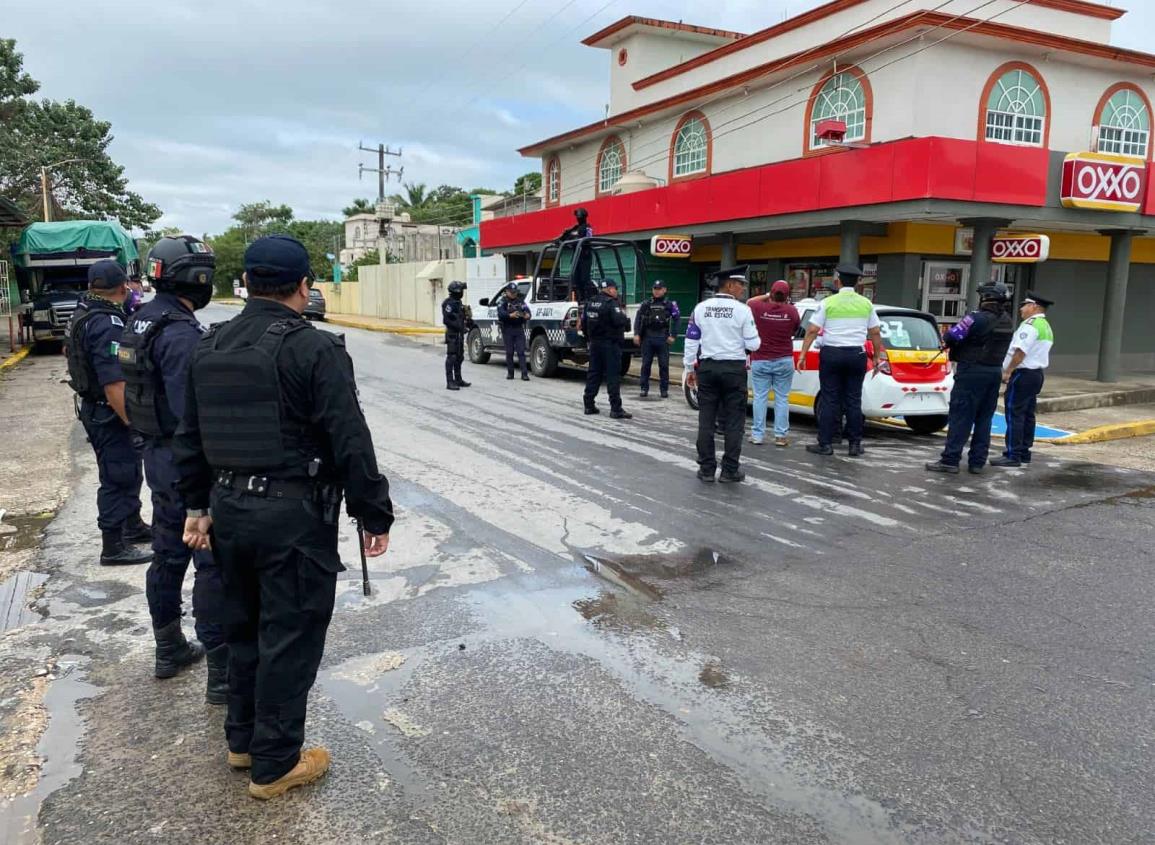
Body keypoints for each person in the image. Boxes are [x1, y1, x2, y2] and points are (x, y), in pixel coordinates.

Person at [173, 235, 393, 800]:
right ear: (304, 285)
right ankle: (275, 764)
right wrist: (374, 513)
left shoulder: (210, 343)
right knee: (288, 638)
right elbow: (349, 438)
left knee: (244, 628)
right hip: (292, 519)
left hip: (228, 512)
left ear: (244, 282)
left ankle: (243, 742)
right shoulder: (312, 348)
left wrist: (196, 507)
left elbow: (189, 437)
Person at [117, 235, 226, 696]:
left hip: (157, 458)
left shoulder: (140, 320)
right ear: (196, 277)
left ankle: (168, 647)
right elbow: (190, 417)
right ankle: (222, 673)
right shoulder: (180, 334)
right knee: (209, 563)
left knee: (166, 554)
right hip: (184, 461)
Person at [64, 259, 152, 566]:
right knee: (119, 476)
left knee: (128, 470)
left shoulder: (85, 309)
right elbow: (114, 382)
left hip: (96, 409)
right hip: (109, 411)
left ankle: (133, 526)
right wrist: (134, 422)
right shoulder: (106, 323)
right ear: (122, 287)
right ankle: (113, 546)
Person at [797, 263, 886, 457]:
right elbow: (876, 332)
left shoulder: (828, 303)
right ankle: (854, 444)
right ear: (857, 282)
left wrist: (803, 354)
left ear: (838, 280)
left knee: (830, 399)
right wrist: (878, 356)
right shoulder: (866, 304)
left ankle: (826, 444)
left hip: (832, 354)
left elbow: (812, 330)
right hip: (857, 355)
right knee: (854, 400)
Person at [925, 283, 1014, 475]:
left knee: (961, 416)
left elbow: (951, 335)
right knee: (984, 418)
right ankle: (977, 462)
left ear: (985, 298)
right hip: (994, 373)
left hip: (972, 371)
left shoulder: (975, 318)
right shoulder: (1008, 320)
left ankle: (950, 460)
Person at [684, 267, 760, 482]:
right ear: (729, 285)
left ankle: (707, 469)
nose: (743, 288)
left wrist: (690, 368)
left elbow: (691, 342)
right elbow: (754, 343)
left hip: (707, 368)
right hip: (734, 370)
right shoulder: (742, 310)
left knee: (706, 419)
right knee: (734, 421)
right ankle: (729, 470)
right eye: (740, 284)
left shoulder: (701, 308)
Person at [993, 291, 1055, 468]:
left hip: (1023, 374)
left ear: (1034, 306)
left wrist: (1008, 371)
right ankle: (1024, 452)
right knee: (1027, 414)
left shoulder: (1030, 325)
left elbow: (1020, 352)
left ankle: (1013, 454)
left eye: (1024, 305)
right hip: (1036, 375)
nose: (1021, 309)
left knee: (1014, 414)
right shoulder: (1045, 325)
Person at [747, 280, 801, 447]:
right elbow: (795, 329)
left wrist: (768, 296)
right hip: (784, 359)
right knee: (782, 398)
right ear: (786, 296)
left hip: (761, 358)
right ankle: (781, 436)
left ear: (771, 293)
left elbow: (750, 302)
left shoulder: (759, 308)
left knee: (760, 397)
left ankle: (757, 435)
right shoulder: (792, 311)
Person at [581, 277, 632, 419]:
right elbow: (619, 321)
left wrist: (589, 338)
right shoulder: (611, 303)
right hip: (610, 344)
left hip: (595, 344)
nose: (617, 291)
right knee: (613, 376)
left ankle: (588, 404)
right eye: (616, 289)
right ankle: (616, 409)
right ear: (610, 289)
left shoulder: (591, 302)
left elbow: (584, 324)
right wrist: (625, 320)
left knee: (594, 374)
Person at [633, 280, 680, 399]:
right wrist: (637, 334)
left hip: (662, 338)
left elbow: (677, 320)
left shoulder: (669, 304)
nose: (656, 291)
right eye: (655, 289)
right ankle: (644, 388)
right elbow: (638, 318)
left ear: (664, 290)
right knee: (645, 365)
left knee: (664, 365)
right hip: (648, 338)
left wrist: (673, 335)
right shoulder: (646, 303)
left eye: (659, 289)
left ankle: (664, 390)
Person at [441, 280, 474, 390]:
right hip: (452, 334)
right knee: (452, 357)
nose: (462, 293)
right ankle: (450, 382)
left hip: (459, 334)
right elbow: (446, 320)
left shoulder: (459, 303)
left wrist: (469, 322)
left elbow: (463, 318)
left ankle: (458, 379)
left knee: (459, 357)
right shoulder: (448, 303)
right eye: (461, 290)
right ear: (456, 291)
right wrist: (459, 326)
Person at [557, 208, 595, 301]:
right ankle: (578, 297)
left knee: (584, 279)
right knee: (575, 279)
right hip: (576, 257)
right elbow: (563, 238)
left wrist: (574, 240)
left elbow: (588, 239)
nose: (578, 218)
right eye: (577, 216)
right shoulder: (574, 228)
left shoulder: (587, 227)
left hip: (584, 256)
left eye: (579, 216)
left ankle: (587, 298)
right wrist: (564, 236)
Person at [496, 282, 531, 380]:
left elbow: (527, 310)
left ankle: (524, 374)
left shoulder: (520, 301)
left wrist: (527, 315)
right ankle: (510, 373)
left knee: (521, 352)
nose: (513, 294)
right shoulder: (502, 301)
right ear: (507, 292)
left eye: (515, 292)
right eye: (511, 292)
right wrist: (509, 315)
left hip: (519, 328)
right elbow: (500, 313)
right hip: (508, 329)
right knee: (509, 352)